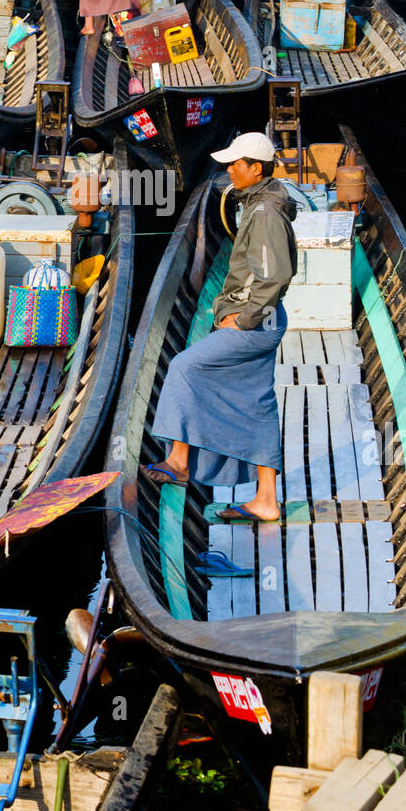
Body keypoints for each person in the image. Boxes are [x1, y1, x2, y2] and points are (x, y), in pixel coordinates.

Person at [140, 132, 297, 526]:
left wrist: (243, 319)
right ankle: (265, 500)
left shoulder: (264, 214)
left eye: (235, 165)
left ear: (255, 169)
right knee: (257, 402)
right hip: (268, 318)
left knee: (185, 368)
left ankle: (179, 461)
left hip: (256, 320)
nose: (228, 170)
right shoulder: (261, 202)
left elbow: (274, 276)